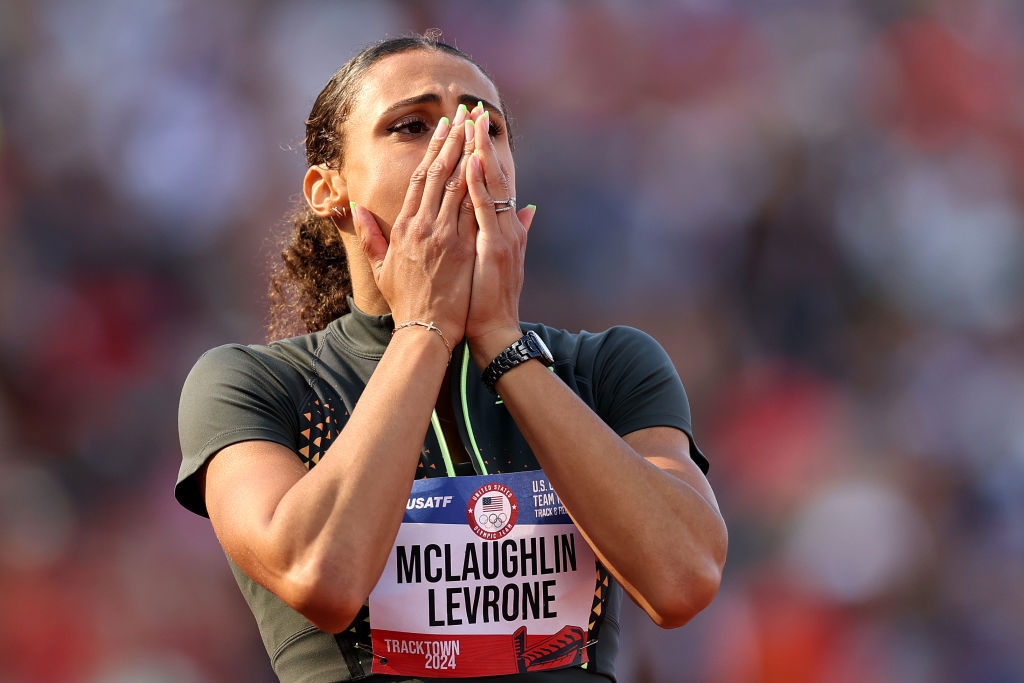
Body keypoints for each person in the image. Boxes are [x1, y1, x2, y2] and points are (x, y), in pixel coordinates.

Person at [176, 35, 727, 682]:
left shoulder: (607, 366)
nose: (461, 149)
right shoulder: (257, 384)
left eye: (485, 127)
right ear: (328, 189)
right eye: (412, 126)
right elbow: (319, 573)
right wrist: (424, 328)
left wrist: (501, 341)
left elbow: (683, 578)